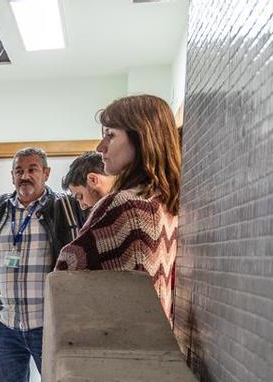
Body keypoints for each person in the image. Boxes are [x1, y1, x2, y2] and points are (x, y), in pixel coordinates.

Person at [0, 147, 83, 382]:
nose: (25, 176)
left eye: (32, 169)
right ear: (12, 176)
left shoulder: (63, 208)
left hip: (49, 325)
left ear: (45, 173)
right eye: (19, 171)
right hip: (5, 324)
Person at [55, 95, 180, 324]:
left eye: (110, 135)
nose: (100, 147)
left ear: (142, 138)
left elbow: (66, 271)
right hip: (156, 339)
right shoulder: (165, 205)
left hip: (115, 343)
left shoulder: (125, 206)